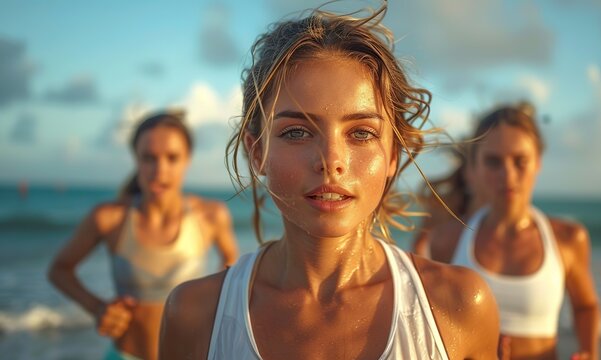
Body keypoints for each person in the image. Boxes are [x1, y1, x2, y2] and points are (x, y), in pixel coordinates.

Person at [159, 5, 500, 360]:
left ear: (393, 154)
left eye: (361, 133)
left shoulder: (457, 306)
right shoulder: (195, 315)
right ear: (256, 151)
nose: (332, 160)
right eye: (296, 132)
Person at [48, 111, 239, 360]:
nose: (160, 170)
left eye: (172, 158)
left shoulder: (211, 216)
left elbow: (233, 269)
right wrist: (97, 309)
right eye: (149, 158)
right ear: (136, 160)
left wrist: (217, 306)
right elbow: (59, 270)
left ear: (187, 159)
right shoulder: (109, 218)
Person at [429, 104, 601, 359]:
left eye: (520, 161)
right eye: (493, 162)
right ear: (473, 169)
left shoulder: (567, 239)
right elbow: (436, 322)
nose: (508, 175)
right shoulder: (448, 240)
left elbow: (586, 306)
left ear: (538, 163)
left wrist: (589, 351)